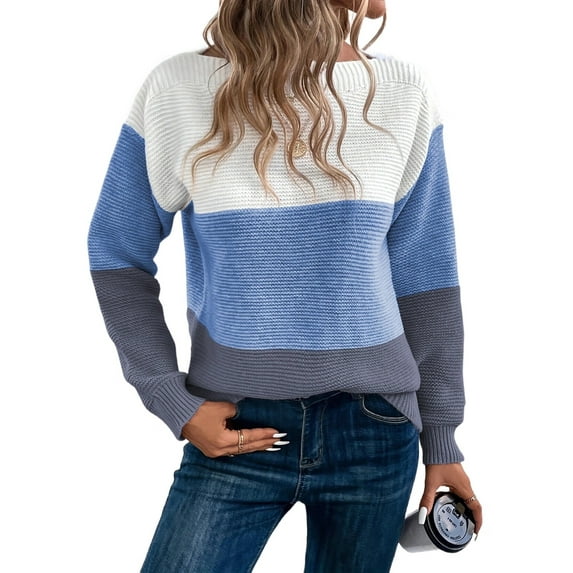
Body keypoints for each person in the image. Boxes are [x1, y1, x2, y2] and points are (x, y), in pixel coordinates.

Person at [88, 0, 483, 571]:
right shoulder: (179, 88)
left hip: (375, 431)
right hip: (234, 427)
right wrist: (171, 399)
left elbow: (426, 280)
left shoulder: (403, 92)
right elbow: (116, 254)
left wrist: (442, 439)